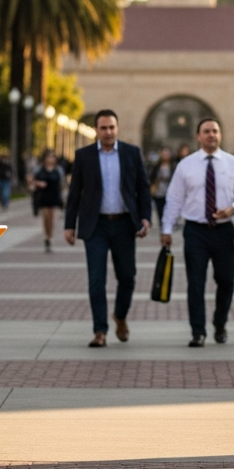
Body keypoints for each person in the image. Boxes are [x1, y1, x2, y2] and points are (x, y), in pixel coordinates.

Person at [63, 110, 153, 347]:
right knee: (96, 280)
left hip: (124, 224)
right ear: (96, 130)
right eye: (103, 128)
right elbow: (75, 193)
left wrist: (145, 217)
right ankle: (100, 331)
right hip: (96, 226)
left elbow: (143, 188)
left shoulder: (132, 153)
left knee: (127, 278)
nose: (108, 132)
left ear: (117, 128)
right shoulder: (84, 156)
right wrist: (69, 225)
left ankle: (120, 316)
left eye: (112, 127)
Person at [160, 118, 234, 347]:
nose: (211, 135)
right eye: (206, 131)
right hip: (195, 231)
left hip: (223, 232)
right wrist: (166, 228)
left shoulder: (233, 164)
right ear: (198, 136)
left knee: (227, 281)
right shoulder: (185, 165)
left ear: (219, 135)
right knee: (196, 283)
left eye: (215, 131)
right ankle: (197, 331)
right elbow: (174, 198)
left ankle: (220, 324)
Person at [31, 150, 65, 252]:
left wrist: (62, 197)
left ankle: (50, 237)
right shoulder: (39, 169)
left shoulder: (58, 170)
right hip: (43, 196)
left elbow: (62, 184)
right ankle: (47, 236)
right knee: (45, 217)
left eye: (52, 157)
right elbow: (32, 180)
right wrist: (38, 183)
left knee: (52, 218)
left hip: (54, 196)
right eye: (49, 157)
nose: (51, 159)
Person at [150, 146, 175, 229]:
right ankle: (162, 224)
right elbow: (151, 178)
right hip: (158, 191)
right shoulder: (156, 166)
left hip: (169, 191)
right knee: (160, 208)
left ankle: (168, 223)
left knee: (168, 209)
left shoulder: (173, 166)